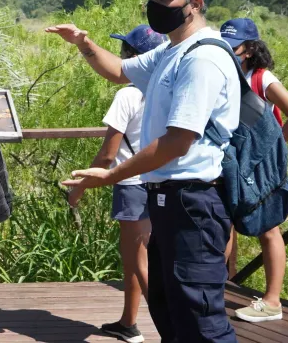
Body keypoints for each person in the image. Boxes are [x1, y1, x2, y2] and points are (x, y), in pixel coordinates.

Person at [50, 0, 240, 343]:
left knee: (201, 319)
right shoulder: (173, 50)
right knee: (169, 309)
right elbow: (118, 70)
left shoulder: (203, 58)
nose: (154, 2)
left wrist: (113, 174)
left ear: (195, 4)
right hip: (168, 200)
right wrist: (84, 43)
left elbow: (178, 140)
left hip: (195, 202)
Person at [70, 25, 166, 343]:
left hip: (132, 184)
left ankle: (174, 330)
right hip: (163, 182)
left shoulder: (127, 93)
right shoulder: (168, 88)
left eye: (125, 51)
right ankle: (128, 323)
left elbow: (108, 154)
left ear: (133, 58)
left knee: (140, 262)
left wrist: (80, 186)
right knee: (136, 260)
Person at [220, 18, 288, 323]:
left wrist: (273, 147)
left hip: (260, 168)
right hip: (235, 163)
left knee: (269, 228)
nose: (229, 52)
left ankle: (272, 301)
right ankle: (217, 284)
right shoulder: (230, 74)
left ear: (249, 49)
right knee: (225, 220)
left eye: (234, 47)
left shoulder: (262, 78)